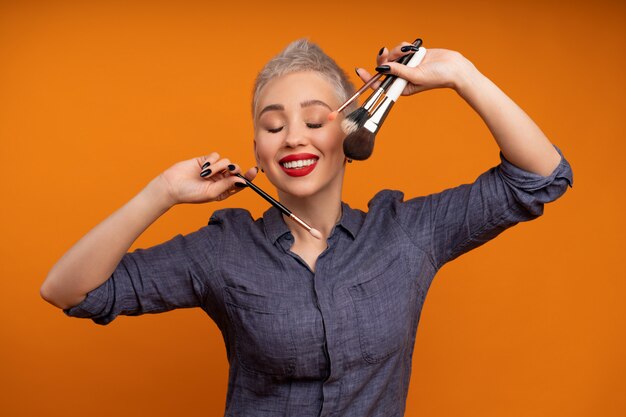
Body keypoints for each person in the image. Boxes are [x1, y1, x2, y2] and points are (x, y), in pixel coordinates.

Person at [40, 39, 573, 417]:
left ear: (352, 131)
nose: (294, 137)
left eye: (315, 121)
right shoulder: (222, 250)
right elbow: (68, 290)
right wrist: (161, 191)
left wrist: (461, 73)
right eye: (274, 126)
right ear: (258, 151)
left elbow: (541, 178)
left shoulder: (407, 235)